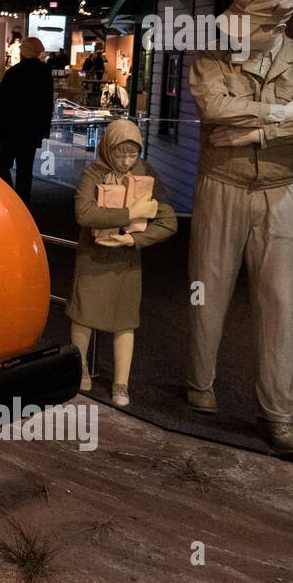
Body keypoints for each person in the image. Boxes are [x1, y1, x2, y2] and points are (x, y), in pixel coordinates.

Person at [187, 0, 293, 456]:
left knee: (279, 303)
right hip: (222, 187)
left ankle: (279, 415)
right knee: (206, 290)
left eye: (245, 24)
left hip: (280, 192)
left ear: (274, 27)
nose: (232, 32)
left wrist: (256, 135)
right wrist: (283, 114)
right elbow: (214, 106)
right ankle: (199, 385)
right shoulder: (213, 57)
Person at [68, 120, 177, 407]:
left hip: (126, 261)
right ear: (107, 149)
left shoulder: (146, 174)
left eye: (132, 155)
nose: (127, 161)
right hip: (92, 257)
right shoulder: (93, 173)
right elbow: (84, 213)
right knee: (83, 316)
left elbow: (168, 222)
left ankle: (121, 383)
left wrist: (134, 241)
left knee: (125, 321)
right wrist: (132, 212)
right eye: (120, 154)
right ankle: (79, 371)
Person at [0, 36, 53, 204]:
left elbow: (3, 104)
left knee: (2, 165)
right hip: (31, 131)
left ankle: (10, 198)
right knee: (25, 170)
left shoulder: (14, 72)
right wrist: (43, 131)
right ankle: (23, 203)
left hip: (10, 129)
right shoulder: (44, 74)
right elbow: (47, 105)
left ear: (23, 52)